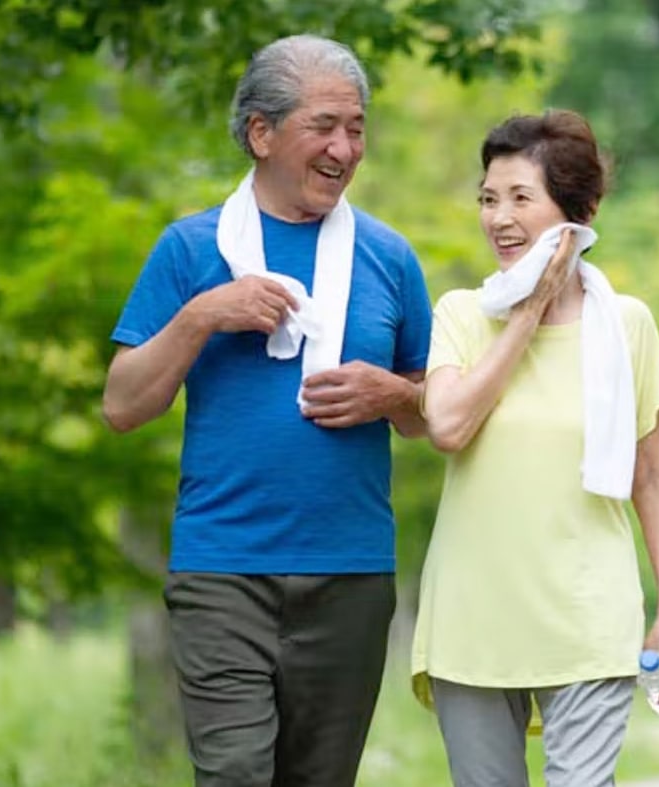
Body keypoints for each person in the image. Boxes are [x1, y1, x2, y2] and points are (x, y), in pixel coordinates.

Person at [102, 34, 432, 787]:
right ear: (260, 132)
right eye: (324, 126)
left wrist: (395, 394)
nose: (345, 148)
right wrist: (201, 316)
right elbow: (122, 405)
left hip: (350, 573)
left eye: (356, 128)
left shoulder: (391, 257)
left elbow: (432, 416)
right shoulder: (191, 250)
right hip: (223, 571)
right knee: (235, 774)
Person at [410, 109, 659, 787]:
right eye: (487, 198)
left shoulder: (626, 324)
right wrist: (527, 314)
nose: (498, 218)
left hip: (588, 615)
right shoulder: (460, 314)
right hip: (473, 619)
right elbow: (447, 426)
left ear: (578, 211)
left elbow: (653, 478)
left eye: (519, 198)